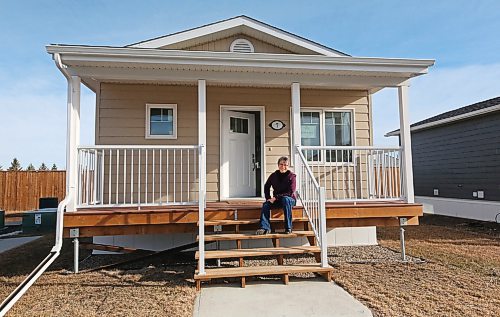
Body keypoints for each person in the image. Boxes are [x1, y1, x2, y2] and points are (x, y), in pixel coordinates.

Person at [256, 156, 296, 235]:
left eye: (285, 165)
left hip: (290, 200)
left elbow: (290, 192)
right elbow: (266, 186)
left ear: (288, 166)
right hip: (277, 200)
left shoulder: (292, 176)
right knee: (266, 205)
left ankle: (288, 227)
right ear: (278, 165)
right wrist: (268, 198)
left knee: (286, 199)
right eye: (281, 164)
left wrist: (276, 197)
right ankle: (265, 227)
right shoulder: (274, 176)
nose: (283, 167)